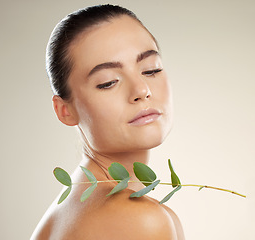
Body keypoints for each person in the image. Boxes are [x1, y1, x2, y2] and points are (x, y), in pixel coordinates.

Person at [31, 4, 185, 240]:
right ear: (64, 110)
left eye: (151, 70)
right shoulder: (138, 220)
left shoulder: (69, 209)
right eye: (108, 82)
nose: (141, 90)